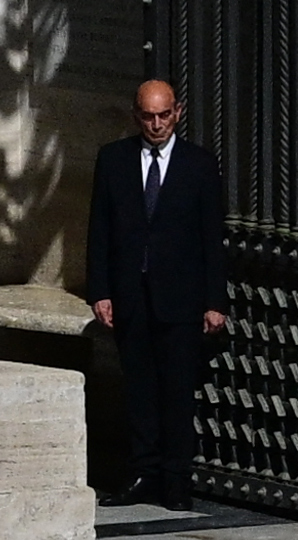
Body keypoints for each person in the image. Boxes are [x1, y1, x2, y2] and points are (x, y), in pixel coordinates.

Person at [83, 78, 228, 511]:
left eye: (164, 115)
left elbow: (211, 237)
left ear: (177, 113)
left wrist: (215, 301)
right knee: (139, 391)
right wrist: (101, 291)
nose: (157, 124)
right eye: (148, 116)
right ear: (136, 116)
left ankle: (176, 479)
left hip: (180, 298)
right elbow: (99, 230)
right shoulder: (114, 160)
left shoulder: (199, 165)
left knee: (177, 391)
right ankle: (142, 473)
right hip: (132, 296)